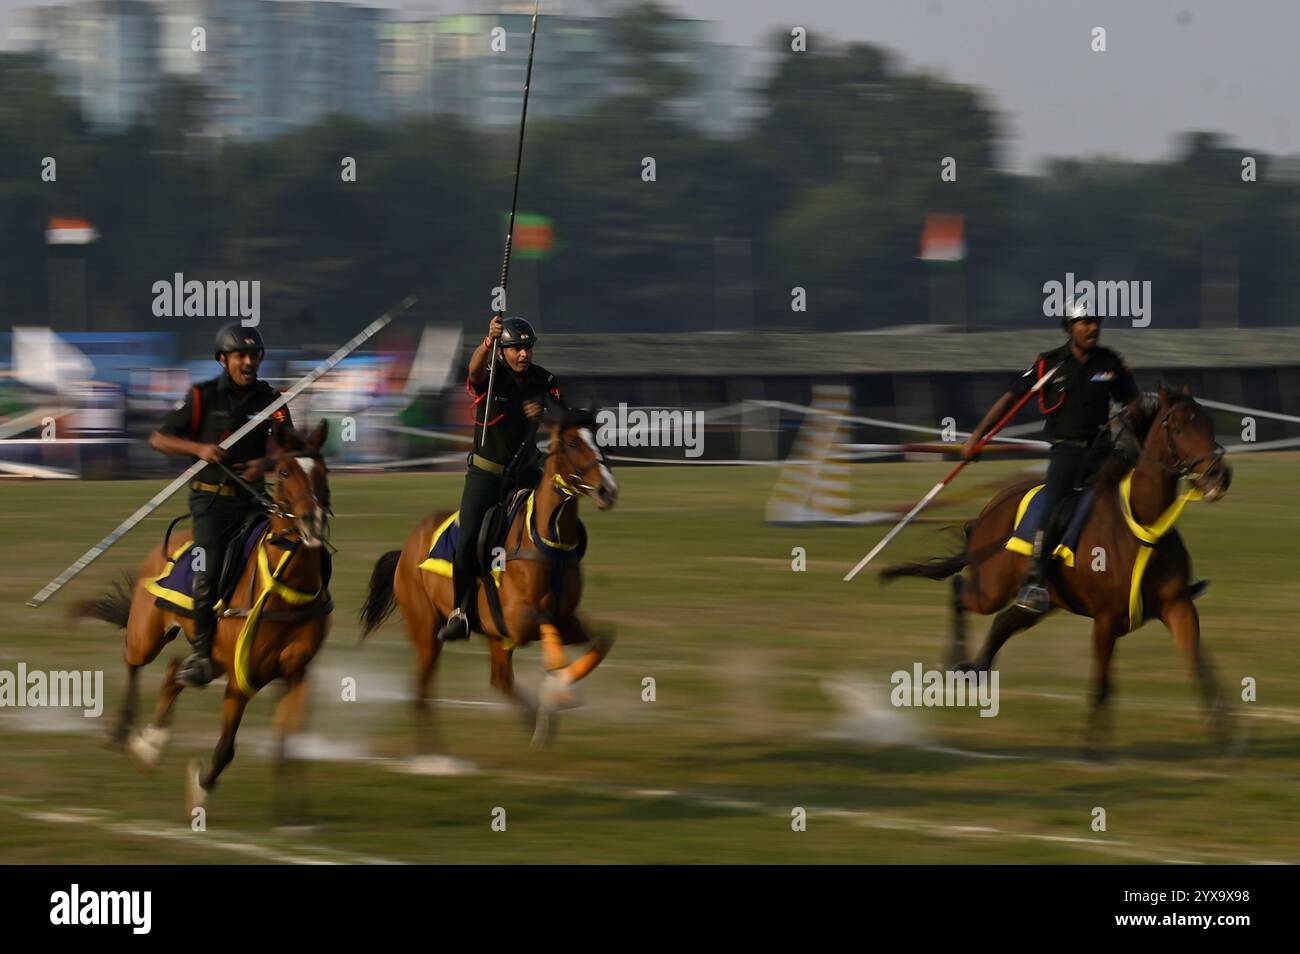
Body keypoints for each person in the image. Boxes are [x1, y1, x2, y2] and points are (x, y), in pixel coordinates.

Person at [961, 299, 1138, 613]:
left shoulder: (1110, 363)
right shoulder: (1048, 365)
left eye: (1096, 321)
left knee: (1143, 498)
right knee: (1054, 506)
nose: (1092, 327)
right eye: (1084, 322)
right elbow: (1009, 399)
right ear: (1070, 328)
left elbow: (1133, 405)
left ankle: (1162, 575)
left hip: (1102, 454)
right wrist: (976, 438)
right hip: (1067, 454)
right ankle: (1035, 581)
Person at [149, 323, 292, 686]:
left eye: (253, 355)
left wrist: (266, 464)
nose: (248, 362)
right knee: (209, 569)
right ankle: (201, 653)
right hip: (212, 502)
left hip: (255, 500)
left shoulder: (271, 402)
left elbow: (291, 452)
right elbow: (160, 439)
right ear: (223, 359)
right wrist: (199, 449)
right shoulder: (201, 397)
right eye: (240, 356)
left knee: (293, 553)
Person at [437, 315, 566, 642]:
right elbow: (473, 372)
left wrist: (545, 410)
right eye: (515, 348)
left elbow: (564, 416)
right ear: (502, 351)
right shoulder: (492, 377)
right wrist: (486, 341)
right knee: (466, 541)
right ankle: (460, 611)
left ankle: (559, 590)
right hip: (487, 475)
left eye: (527, 348)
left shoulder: (543, 378)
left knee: (561, 517)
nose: (523, 354)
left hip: (527, 472)